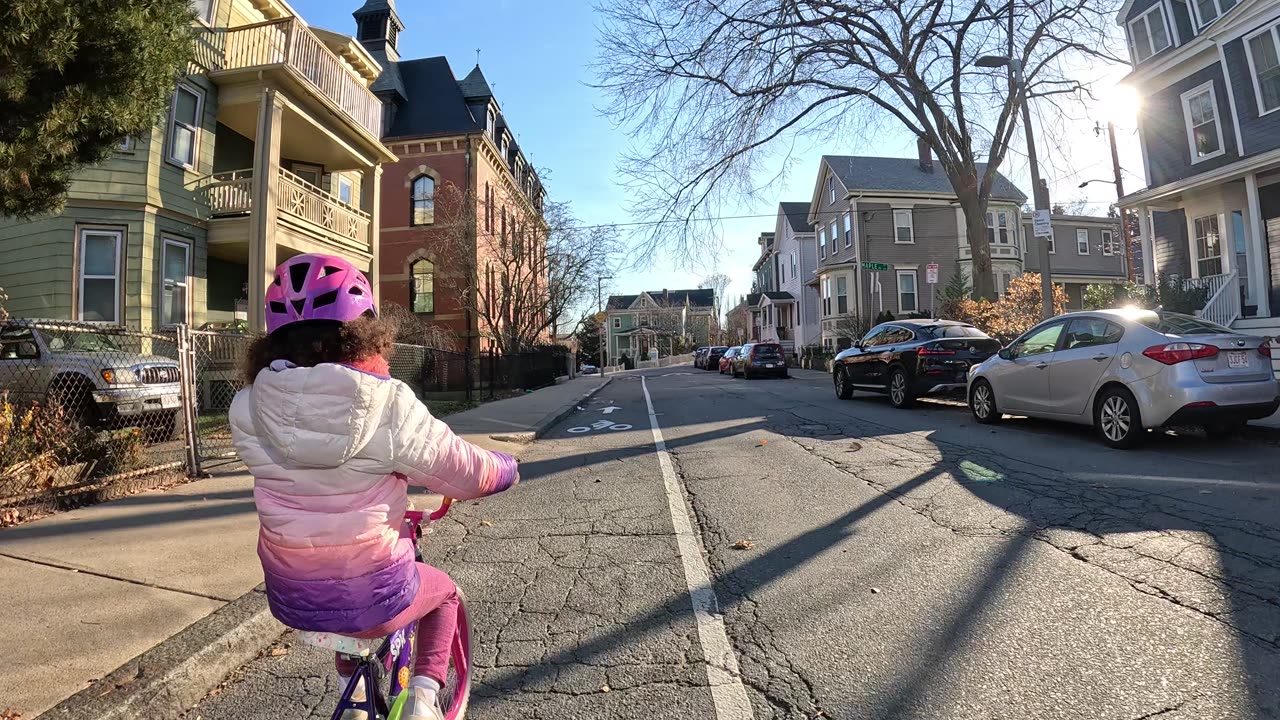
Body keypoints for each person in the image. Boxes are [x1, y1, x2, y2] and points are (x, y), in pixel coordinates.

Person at [230, 254, 518, 720]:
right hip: (376, 589)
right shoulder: (388, 403)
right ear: (364, 330)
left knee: (339, 608)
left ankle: (355, 696)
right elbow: (465, 472)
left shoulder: (245, 407)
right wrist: (506, 468)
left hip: (289, 592)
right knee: (442, 594)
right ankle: (424, 700)